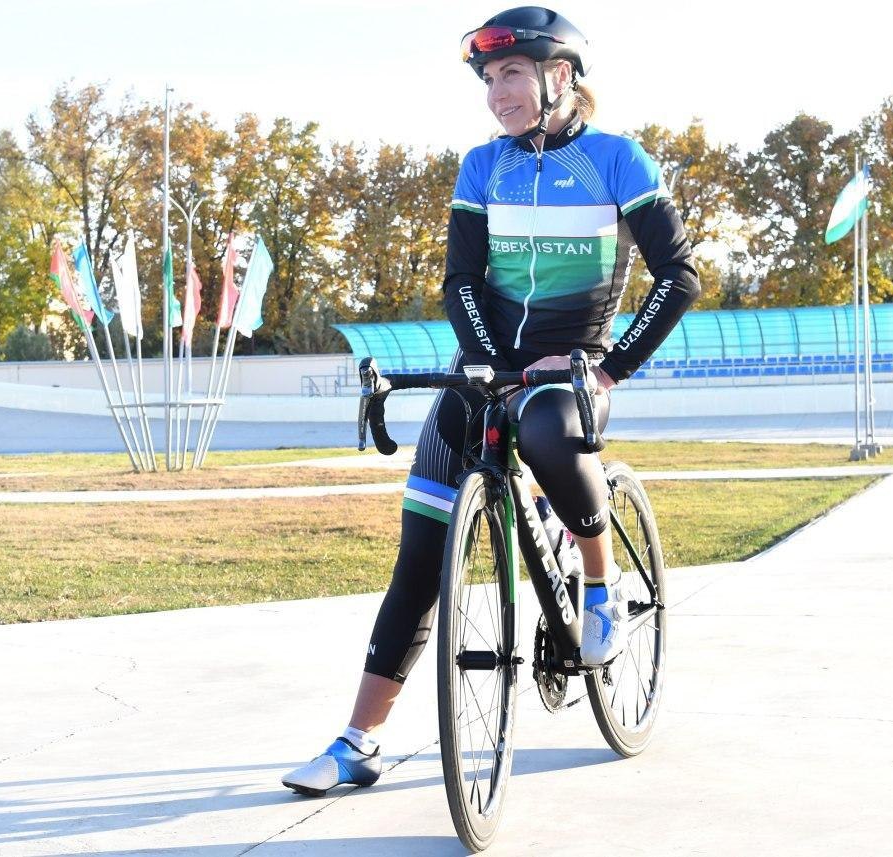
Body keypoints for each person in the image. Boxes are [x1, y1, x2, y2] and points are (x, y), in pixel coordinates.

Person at [282, 6, 700, 797]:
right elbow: (461, 283)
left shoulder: (617, 160)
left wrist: (607, 369)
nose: (495, 92)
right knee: (420, 555)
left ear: (559, 76)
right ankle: (357, 742)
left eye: (511, 73)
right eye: (488, 78)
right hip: (489, 366)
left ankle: (600, 584)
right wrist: (491, 364)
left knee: (545, 432)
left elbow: (678, 277)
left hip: (574, 370)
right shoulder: (484, 166)